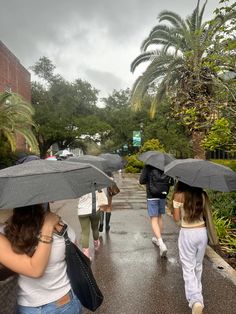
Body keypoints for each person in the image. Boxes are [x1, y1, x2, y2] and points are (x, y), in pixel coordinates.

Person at [4, 204, 83, 314]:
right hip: (63, 301)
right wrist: (48, 226)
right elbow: (75, 254)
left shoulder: (6, 233)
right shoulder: (61, 226)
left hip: (27, 307)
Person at [171, 181, 208, 314]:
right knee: (198, 266)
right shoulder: (202, 195)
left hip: (187, 233)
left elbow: (176, 218)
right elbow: (206, 214)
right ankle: (199, 298)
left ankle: (195, 300)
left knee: (188, 267)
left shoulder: (178, 195)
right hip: (202, 232)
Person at [139, 164, 173, 257]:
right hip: (162, 195)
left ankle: (161, 243)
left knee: (154, 219)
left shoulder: (148, 166)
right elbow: (172, 182)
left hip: (151, 196)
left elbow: (141, 181)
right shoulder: (165, 166)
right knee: (160, 217)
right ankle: (157, 238)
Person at [78, 192, 101, 260]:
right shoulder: (95, 181)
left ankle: (86, 255)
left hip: (82, 211)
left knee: (85, 233)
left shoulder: (77, 182)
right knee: (95, 228)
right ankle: (96, 244)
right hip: (95, 209)